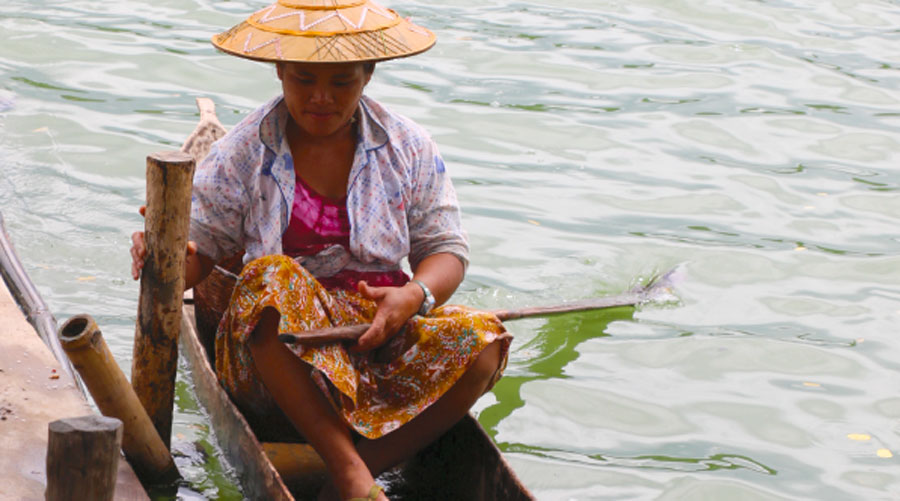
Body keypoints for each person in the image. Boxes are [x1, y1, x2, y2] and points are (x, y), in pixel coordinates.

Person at [130, 2, 511, 500]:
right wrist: (164, 253)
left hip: (373, 340)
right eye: (304, 80)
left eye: (342, 83)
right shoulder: (242, 151)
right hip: (279, 358)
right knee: (268, 277)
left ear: (368, 75)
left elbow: (445, 250)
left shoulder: (408, 146)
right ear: (280, 71)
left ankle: (353, 471)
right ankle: (351, 471)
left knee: (486, 343)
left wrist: (414, 296)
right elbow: (198, 262)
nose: (321, 98)